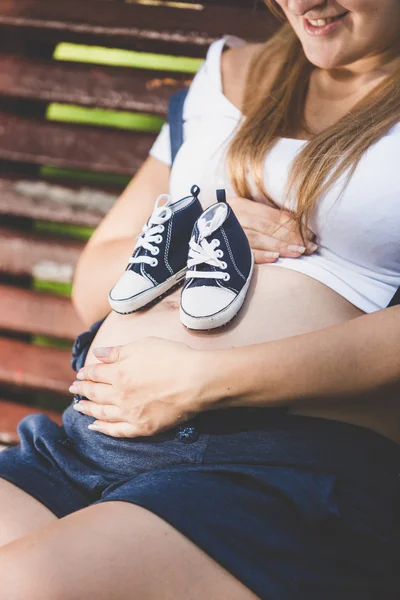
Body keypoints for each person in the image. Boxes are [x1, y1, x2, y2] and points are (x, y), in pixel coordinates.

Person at [0, 1, 399, 598]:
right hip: (87, 442)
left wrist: (202, 381)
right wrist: (190, 230)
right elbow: (93, 282)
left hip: (273, 469)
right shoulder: (229, 75)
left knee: (28, 585)